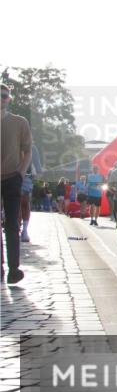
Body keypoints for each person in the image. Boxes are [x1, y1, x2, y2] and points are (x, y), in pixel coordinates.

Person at [1, 84, 32, 284]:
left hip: (12, 177)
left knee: (12, 224)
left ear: (9, 99)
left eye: (5, 96)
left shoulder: (19, 122)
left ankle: (14, 269)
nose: (2, 99)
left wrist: (20, 173)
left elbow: (28, 150)